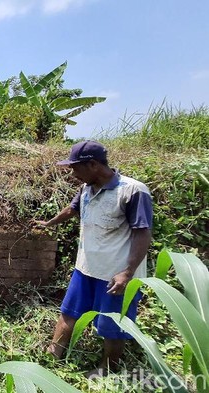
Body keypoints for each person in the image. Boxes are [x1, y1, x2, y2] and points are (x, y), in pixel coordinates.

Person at [33, 140, 153, 378]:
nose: (73, 173)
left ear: (93, 164)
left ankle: (107, 369)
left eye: (76, 168)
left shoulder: (133, 191)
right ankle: (52, 355)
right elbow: (72, 210)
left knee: (112, 326)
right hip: (85, 268)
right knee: (69, 312)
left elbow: (143, 232)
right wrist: (49, 223)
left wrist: (127, 273)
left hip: (115, 274)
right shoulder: (87, 189)